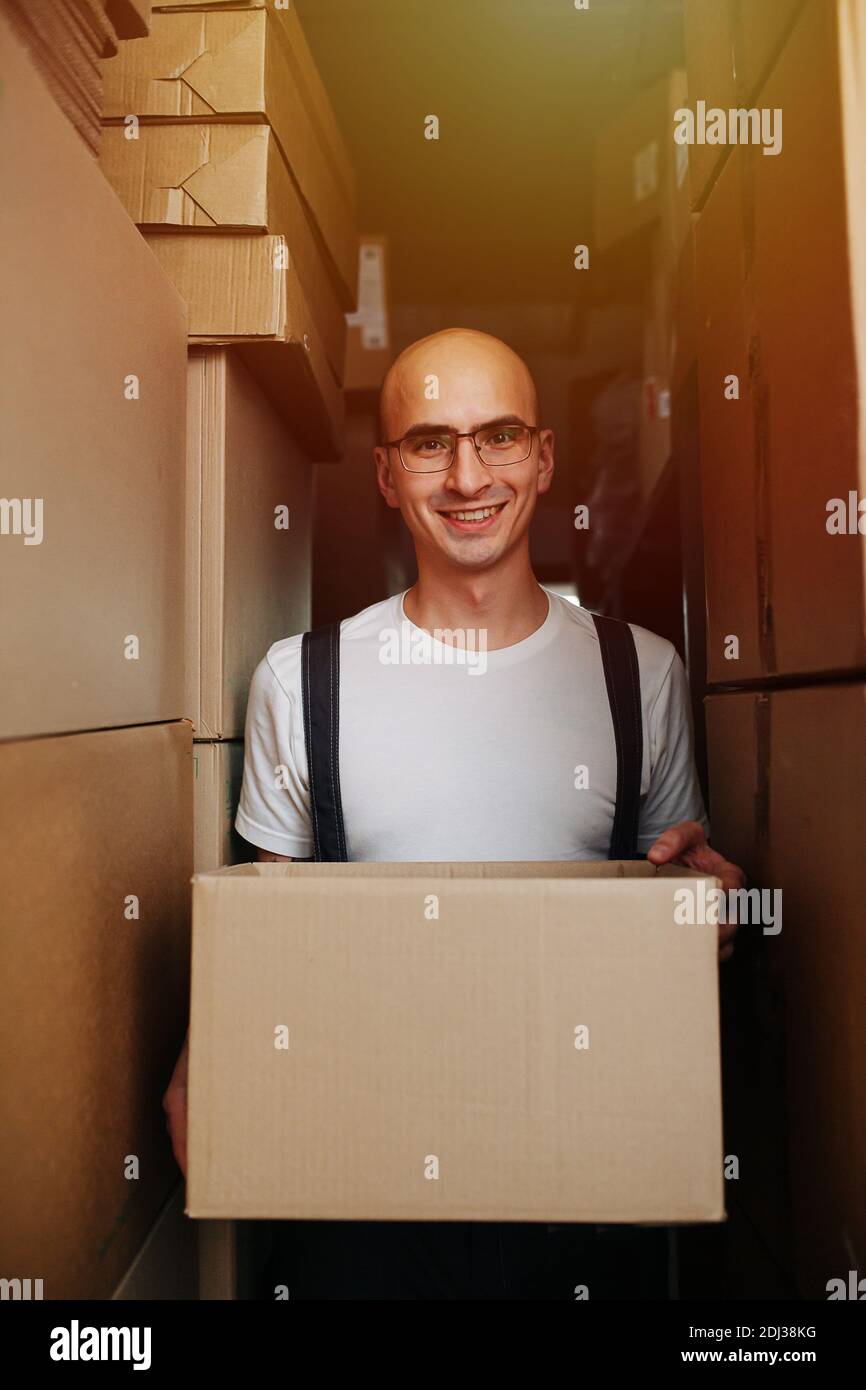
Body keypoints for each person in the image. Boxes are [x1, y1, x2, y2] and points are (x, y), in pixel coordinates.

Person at [164, 327, 743, 1299]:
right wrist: (200, 1063)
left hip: (582, 1186)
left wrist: (715, 911)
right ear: (386, 474)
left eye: (498, 435)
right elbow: (255, 934)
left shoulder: (637, 672)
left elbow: (679, 894)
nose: (467, 474)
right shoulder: (303, 679)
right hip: (362, 1195)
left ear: (543, 456)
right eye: (430, 442)